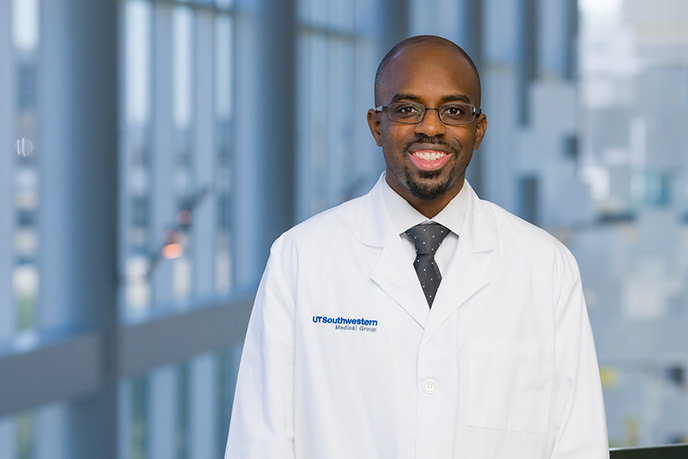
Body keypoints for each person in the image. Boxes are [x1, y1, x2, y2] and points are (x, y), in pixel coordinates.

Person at [225, 35, 609, 458]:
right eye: (407, 109)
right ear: (377, 125)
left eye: (453, 111)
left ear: (478, 130)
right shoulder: (300, 258)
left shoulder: (546, 267)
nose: (430, 127)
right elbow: (260, 442)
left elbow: (579, 443)